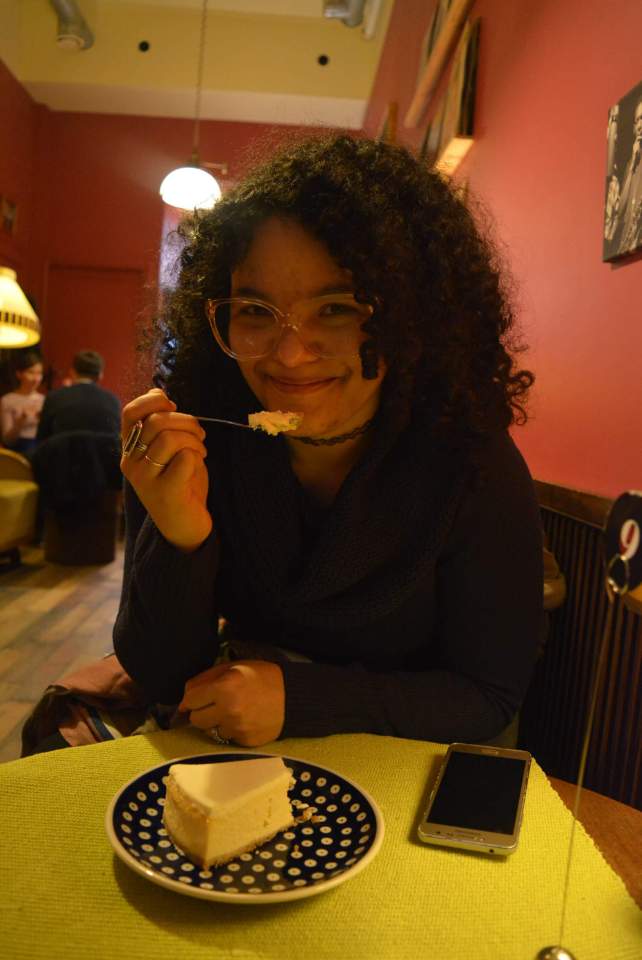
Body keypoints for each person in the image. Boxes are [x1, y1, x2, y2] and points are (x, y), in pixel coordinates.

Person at [114, 134, 543, 750]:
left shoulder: (469, 461)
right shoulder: (196, 437)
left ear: (414, 317)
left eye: (337, 309)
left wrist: (301, 699)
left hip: (399, 770)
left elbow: (488, 695)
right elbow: (160, 676)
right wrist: (181, 537)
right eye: (255, 310)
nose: (289, 355)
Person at [36, 350, 120, 441]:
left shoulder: (54, 398)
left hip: (63, 450)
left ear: (73, 371)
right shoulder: (113, 402)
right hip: (102, 451)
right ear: (100, 375)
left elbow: (42, 440)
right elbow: (115, 441)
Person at [0, 350, 44, 457]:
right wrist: (21, 420)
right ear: (19, 374)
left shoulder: (44, 400)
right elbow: (7, 440)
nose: (36, 379)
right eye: (31, 372)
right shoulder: (7, 400)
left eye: (39, 373)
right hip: (17, 452)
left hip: (41, 449)